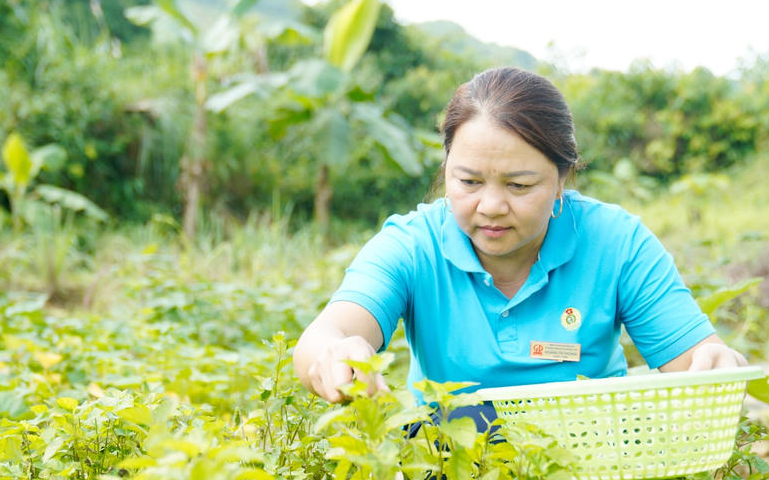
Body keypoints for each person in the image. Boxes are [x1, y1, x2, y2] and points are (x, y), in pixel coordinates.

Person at [293, 66, 746, 412]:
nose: (490, 206)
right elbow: (327, 334)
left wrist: (716, 364)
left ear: (561, 179)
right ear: (447, 168)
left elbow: (695, 362)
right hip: (448, 470)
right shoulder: (414, 246)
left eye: (518, 186)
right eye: (469, 181)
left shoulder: (616, 242)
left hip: (592, 469)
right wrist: (335, 351)